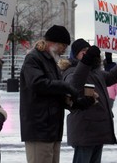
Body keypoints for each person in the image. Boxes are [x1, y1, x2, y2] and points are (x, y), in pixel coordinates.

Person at [59, 38, 117, 163]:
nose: (86, 53)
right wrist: (86, 61)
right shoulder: (71, 71)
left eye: (88, 51)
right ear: (75, 55)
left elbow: (111, 77)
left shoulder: (95, 72)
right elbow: (74, 84)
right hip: (85, 129)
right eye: (83, 51)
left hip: (98, 128)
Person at [20, 24, 79, 163]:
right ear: (53, 42)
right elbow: (37, 83)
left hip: (52, 128)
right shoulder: (33, 58)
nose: (64, 49)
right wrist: (65, 86)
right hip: (39, 128)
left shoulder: (52, 61)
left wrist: (76, 102)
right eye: (63, 45)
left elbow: (54, 92)